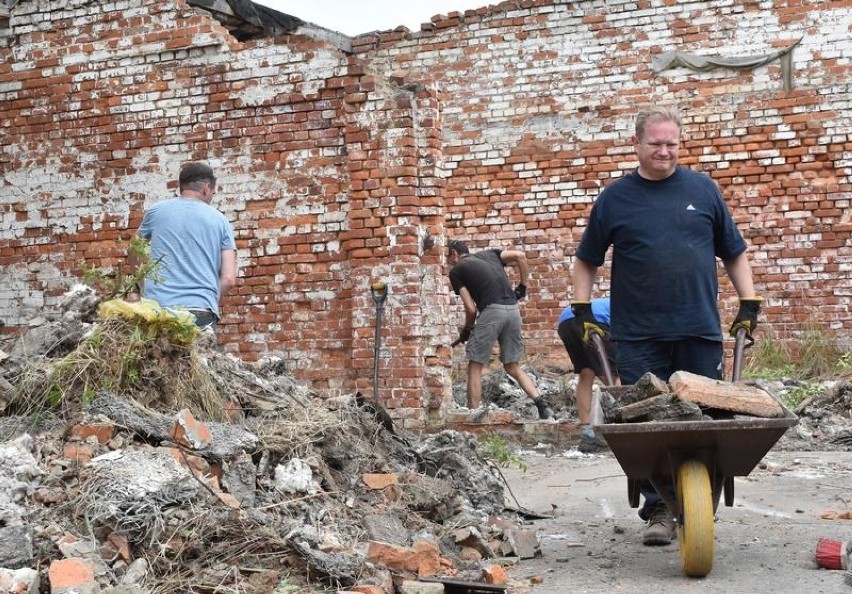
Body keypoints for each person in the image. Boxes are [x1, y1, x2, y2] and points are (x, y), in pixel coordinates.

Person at [570, 106, 761, 546]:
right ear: (636, 144)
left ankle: (699, 500)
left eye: (672, 143)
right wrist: (582, 311)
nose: (664, 151)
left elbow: (733, 251)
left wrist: (748, 303)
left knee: (704, 420)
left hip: (697, 328)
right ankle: (659, 506)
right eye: (655, 143)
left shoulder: (703, 190)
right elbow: (586, 259)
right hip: (638, 333)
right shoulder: (616, 198)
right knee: (650, 424)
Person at [448, 239, 553, 420]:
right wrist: (522, 286)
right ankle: (542, 406)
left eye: (447, 257)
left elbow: (471, 309)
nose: (448, 261)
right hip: (513, 310)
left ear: (454, 254)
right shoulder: (491, 254)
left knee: (475, 364)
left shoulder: (456, 271)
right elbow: (519, 256)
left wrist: (466, 330)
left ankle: (473, 416)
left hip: (491, 311)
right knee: (512, 366)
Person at [131, 162, 237, 333]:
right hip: (200, 310)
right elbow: (229, 279)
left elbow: (133, 250)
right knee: (200, 360)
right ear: (206, 188)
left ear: (181, 187)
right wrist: (208, 299)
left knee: (159, 359)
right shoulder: (220, 221)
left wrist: (144, 286)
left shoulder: (157, 211)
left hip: (159, 310)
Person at [557, 297, 619, 453]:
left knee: (586, 373)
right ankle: (622, 430)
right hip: (595, 319)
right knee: (614, 375)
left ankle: (587, 435)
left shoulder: (612, 300)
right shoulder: (633, 307)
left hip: (567, 319)